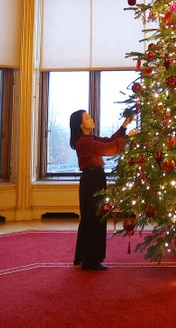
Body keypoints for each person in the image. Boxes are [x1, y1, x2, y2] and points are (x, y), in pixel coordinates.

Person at [70, 109, 135, 271]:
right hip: (92, 181)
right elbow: (109, 149)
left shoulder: (89, 138)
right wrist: (128, 138)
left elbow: (110, 141)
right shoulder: (84, 142)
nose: (91, 120)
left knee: (91, 218)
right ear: (80, 124)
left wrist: (124, 126)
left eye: (90, 117)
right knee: (93, 219)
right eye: (87, 118)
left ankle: (84, 257)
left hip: (95, 178)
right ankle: (90, 261)